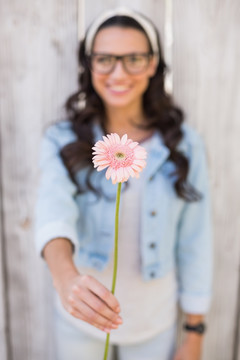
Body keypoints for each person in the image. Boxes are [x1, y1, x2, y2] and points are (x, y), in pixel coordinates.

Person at [34, 7, 212, 360]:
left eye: (133, 58)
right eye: (105, 59)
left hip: (153, 321)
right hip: (79, 321)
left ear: (153, 65)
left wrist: (194, 331)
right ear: (89, 64)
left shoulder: (185, 145)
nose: (118, 73)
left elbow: (196, 240)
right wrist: (66, 277)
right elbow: (52, 209)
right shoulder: (62, 140)